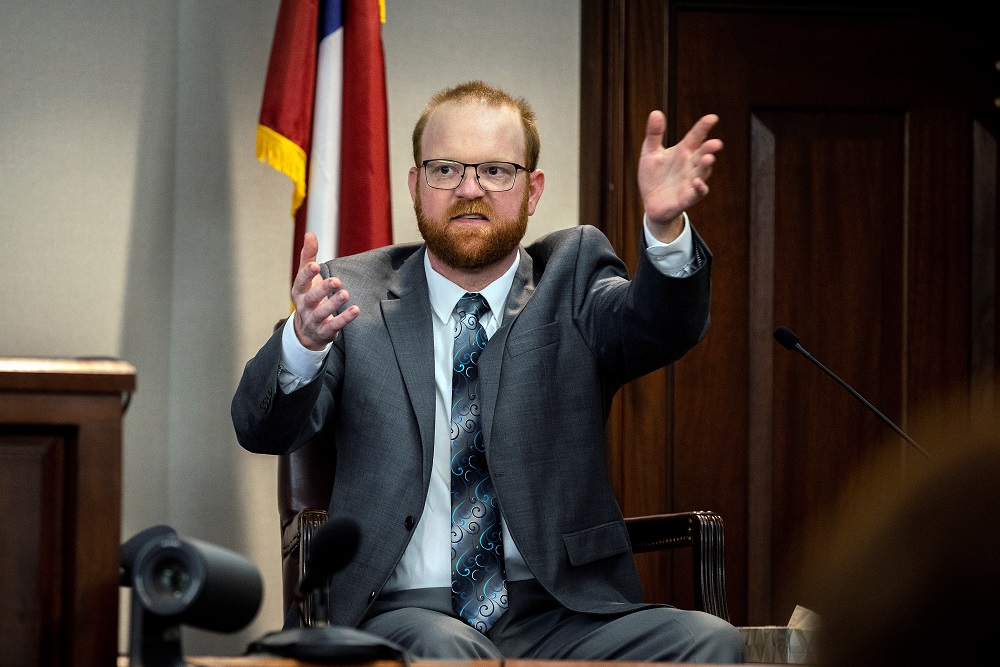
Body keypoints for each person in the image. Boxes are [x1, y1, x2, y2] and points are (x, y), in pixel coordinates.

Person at [232, 80, 743, 662]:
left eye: (496, 171)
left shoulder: (571, 278)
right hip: (406, 613)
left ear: (533, 191)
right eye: (445, 169)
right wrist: (301, 342)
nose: (469, 189)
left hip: (563, 610)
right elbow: (260, 427)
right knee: (448, 649)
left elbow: (659, 327)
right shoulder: (353, 296)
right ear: (415, 186)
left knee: (709, 641)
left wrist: (666, 233)